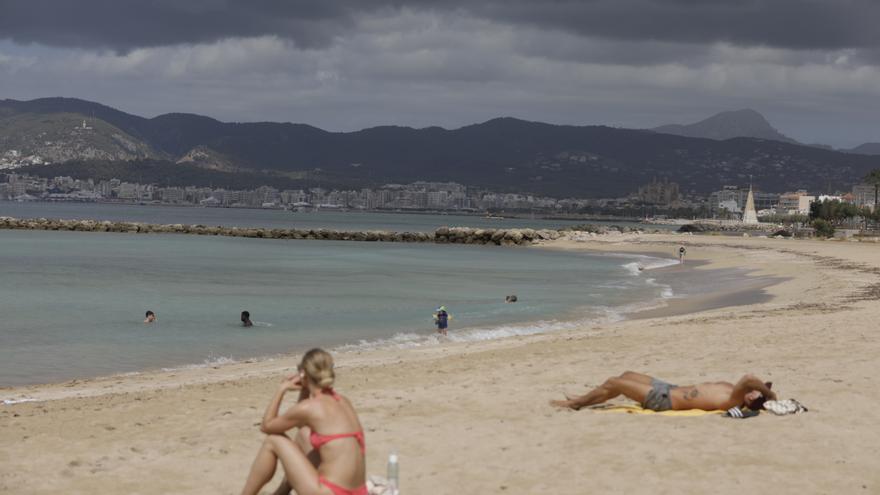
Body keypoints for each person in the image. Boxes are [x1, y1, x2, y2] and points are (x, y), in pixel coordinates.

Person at [241, 348, 366, 495]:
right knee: (303, 435)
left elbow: (267, 426)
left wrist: (281, 389)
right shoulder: (343, 401)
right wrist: (305, 389)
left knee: (273, 440)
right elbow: (302, 424)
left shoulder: (310, 408)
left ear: (303, 374)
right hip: (358, 492)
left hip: (332, 491)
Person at [550, 371, 776, 412]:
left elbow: (748, 378)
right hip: (670, 388)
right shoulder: (738, 393)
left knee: (614, 383)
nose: (755, 389)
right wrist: (766, 393)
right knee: (626, 375)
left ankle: (575, 404)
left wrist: (771, 396)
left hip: (664, 400)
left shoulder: (735, 401)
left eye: (757, 393)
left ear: (752, 398)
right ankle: (582, 397)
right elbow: (750, 382)